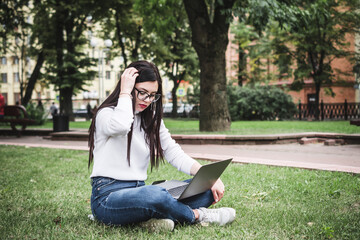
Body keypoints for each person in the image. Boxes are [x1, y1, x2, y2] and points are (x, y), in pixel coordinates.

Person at [88, 60, 236, 232]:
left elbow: (173, 152)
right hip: (108, 198)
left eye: (153, 95)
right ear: (129, 88)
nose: (147, 100)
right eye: (142, 93)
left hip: (140, 192)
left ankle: (148, 219)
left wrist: (208, 177)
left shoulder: (151, 119)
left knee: (206, 190)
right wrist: (125, 92)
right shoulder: (106, 114)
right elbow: (121, 126)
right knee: (155, 195)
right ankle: (197, 216)